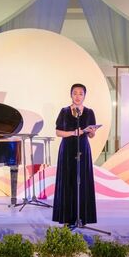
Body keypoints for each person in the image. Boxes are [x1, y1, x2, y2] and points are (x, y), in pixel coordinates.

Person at [52, 83, 98, 225]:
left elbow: (91, 136)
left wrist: (92, 132)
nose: (78, 96)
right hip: (67, 150)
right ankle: (67, 218)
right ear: (71, 95)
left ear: (84, 96)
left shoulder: (89, 112)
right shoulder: (64, 111)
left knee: (82, 181)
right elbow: (58, 132)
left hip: (83, 148)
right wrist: (73, 132)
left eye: (81, 93)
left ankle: (82, 217)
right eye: (75, 93)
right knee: (68, 181)